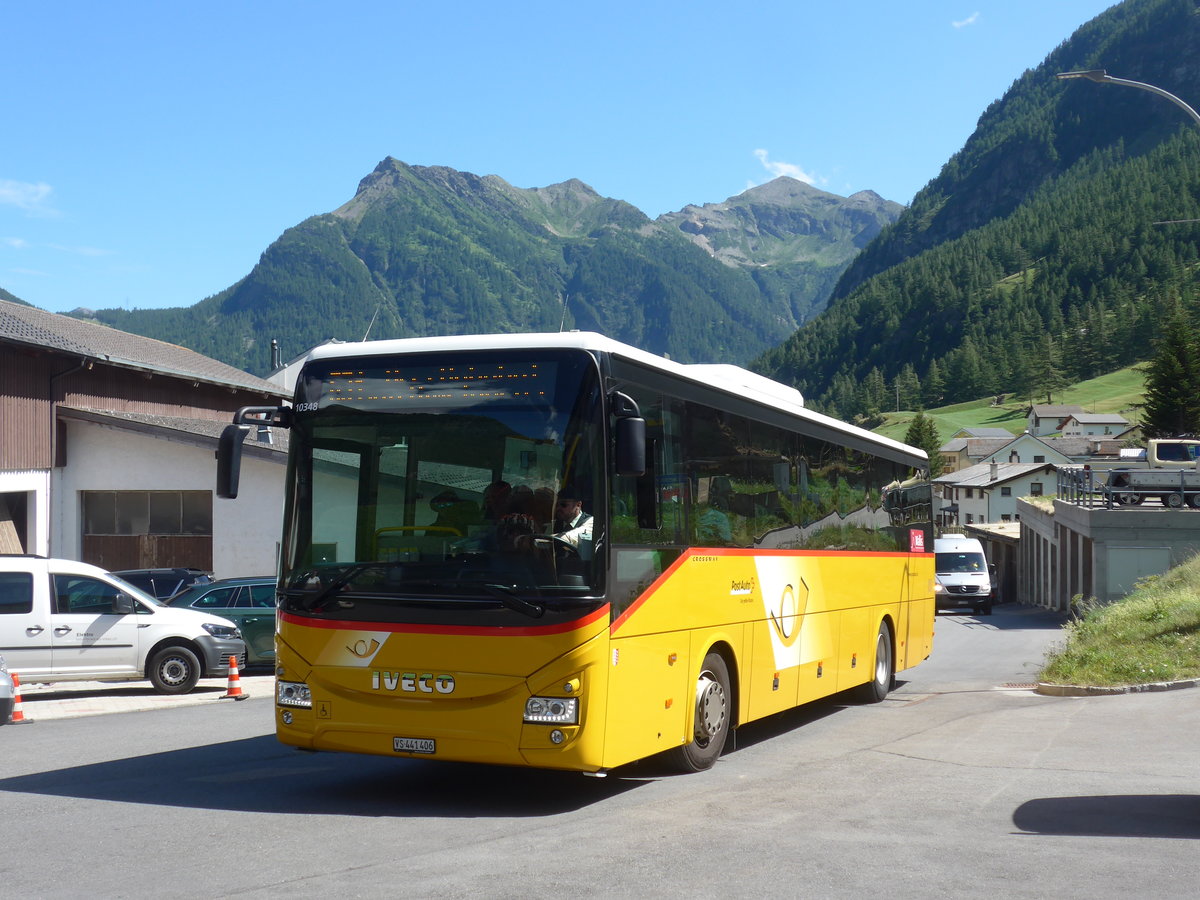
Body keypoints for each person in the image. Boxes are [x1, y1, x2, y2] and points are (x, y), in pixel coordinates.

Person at [552, 487, 593, 559]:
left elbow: (572, 537)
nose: (558, 508)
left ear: (578, 505)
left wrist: (548, 538)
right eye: (557, 505)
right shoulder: (554, 525)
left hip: (580, 568)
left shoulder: (590, 522)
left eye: (563, 504)